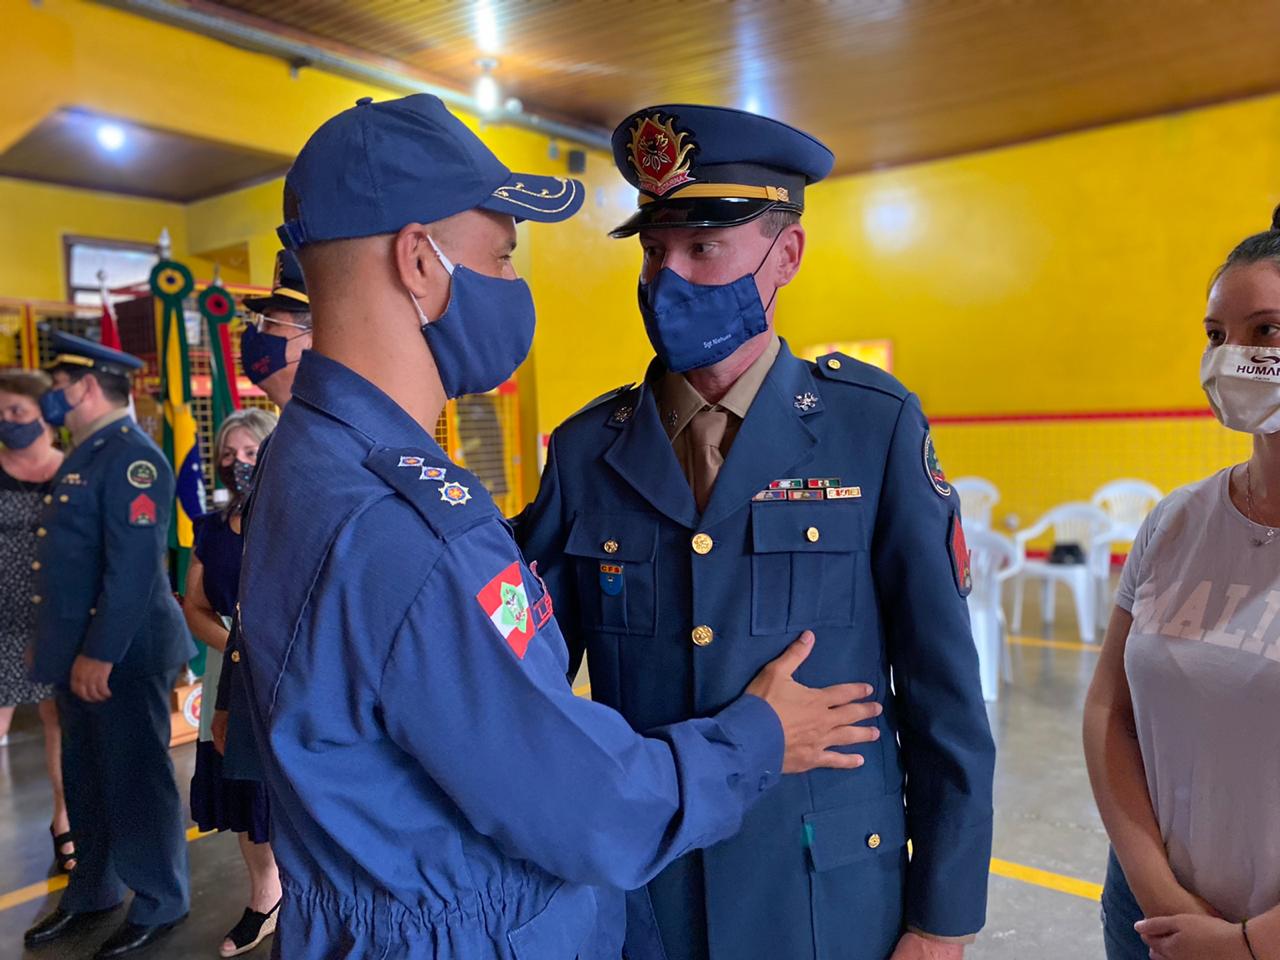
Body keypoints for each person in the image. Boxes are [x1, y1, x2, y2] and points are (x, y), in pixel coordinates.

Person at [237, 92, 880, 960]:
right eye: (502, 258)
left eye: (702, 246)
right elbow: (588, 807)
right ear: (419, 263)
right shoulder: (420, 529)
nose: (512, 286)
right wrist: (760, 738)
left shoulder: (303, 460)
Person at [516, 104, 997, 960]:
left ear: (788, 255)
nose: (669, 278)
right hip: (651, 894)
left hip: (823, 893)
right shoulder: (589, 449)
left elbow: (943, 694)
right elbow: (528, 681)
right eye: (654, 250)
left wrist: (941, 922)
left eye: (704, 247)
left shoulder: (871, 426)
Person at [1084, 207, 1280, 960]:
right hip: (1149, 917)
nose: (1233, 357)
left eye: (1266, 330)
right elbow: (1109, 711)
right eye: (1216, 335)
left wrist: (1250, 944)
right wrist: (1160, 895)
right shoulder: (1175, 521)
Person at [23, 332, 194, 959]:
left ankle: (160, 900)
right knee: (87, 778)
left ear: (87, 387)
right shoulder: (88, 452)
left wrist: (100, 653)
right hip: (79, 655)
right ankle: (92, 891)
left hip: (123, 654)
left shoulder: (131, 459)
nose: (54, 398)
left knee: (135, 779)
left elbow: (133, 571)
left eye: (59, 386)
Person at [184, 408, 280, 958]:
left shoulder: (297, 520)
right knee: (243, 789)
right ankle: (265, 896)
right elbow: (195, 606)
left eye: (249, 452)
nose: (237, 463)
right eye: (227, 454)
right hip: (230, 667)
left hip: (284, 670)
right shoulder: (214, 529)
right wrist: (237, 649)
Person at [0, 369, 74, 874]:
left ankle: (64, 819)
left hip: (56, 616)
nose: (7, 421)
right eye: (1, 413)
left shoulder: (74, 472)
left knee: (58, 719)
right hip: (3, 618)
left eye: (17, 411)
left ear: (45, 413)